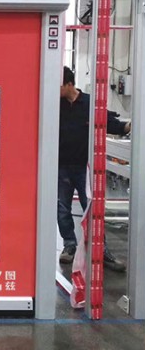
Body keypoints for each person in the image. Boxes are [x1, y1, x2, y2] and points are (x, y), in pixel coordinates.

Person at [58, 66, 130, 272]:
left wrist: (130, 125)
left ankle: (101, 250)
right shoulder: (55, 105)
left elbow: (111, 124)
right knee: (62, 209)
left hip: (85, 169)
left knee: (93, 210)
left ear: (69, 84)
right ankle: (69, 246)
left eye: (58, 85)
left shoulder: (90, 104)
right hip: (61, 167)